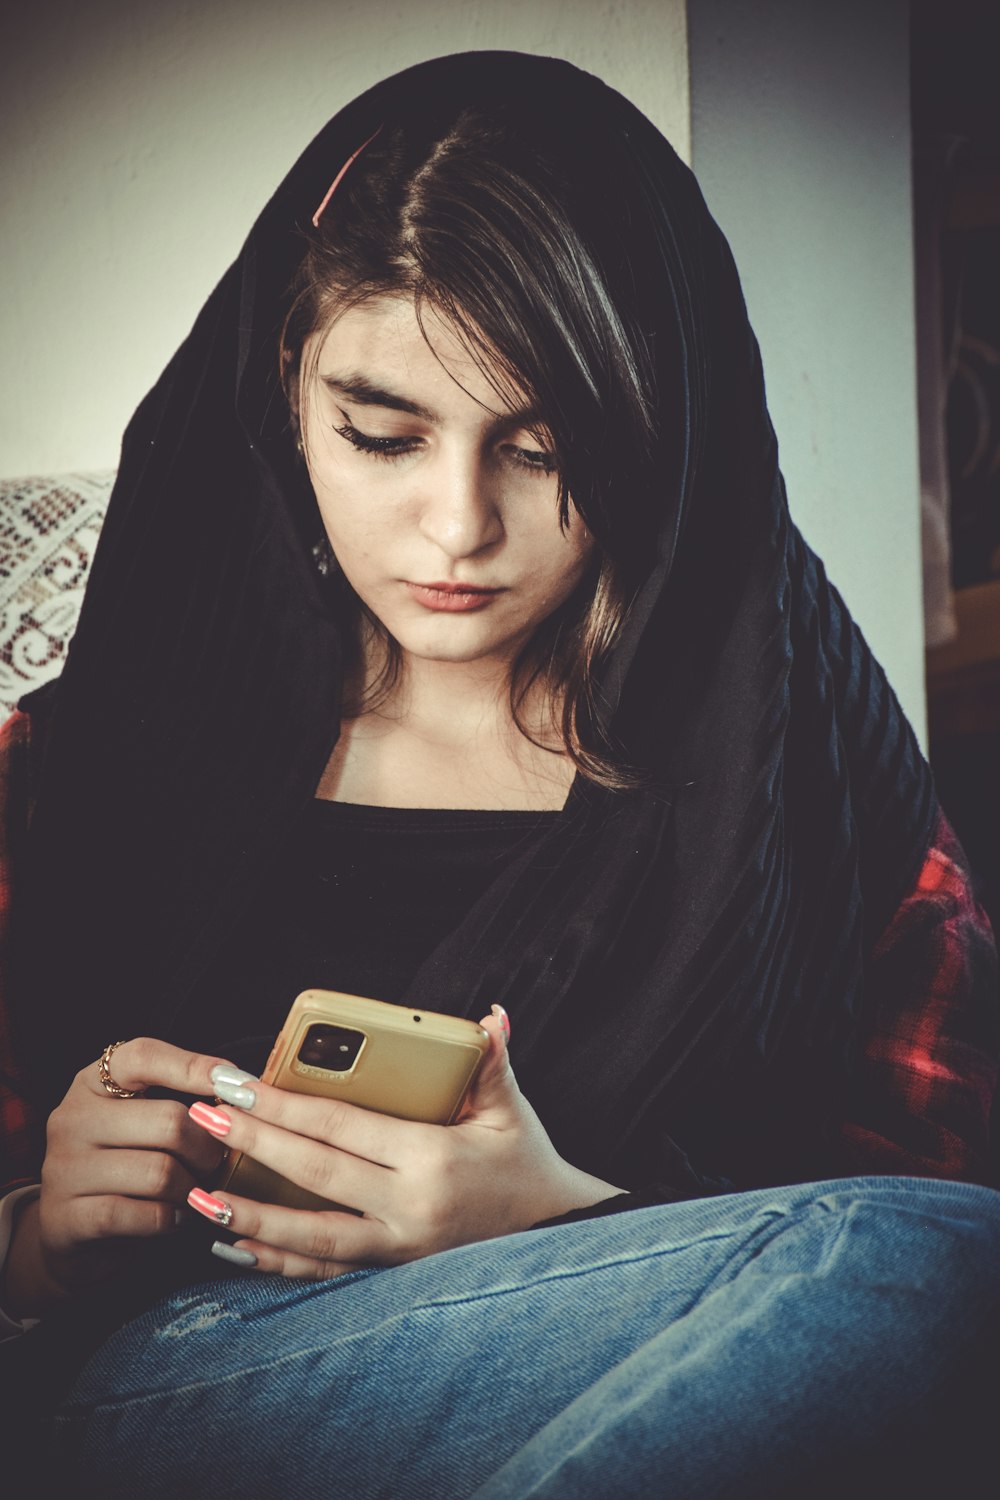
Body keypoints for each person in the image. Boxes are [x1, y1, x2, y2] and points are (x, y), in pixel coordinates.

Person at [0, 49, 998, 1497]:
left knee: (944, 1265)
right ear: (285, 394)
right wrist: (34, 1232)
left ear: (659, 438)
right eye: (381, 435)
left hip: (616, 1386)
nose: (456, 526)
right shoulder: (77, 764)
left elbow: (909, 1187)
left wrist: (564, 1219)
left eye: (544, 449)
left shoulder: (806, 771)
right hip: (175, 1381)